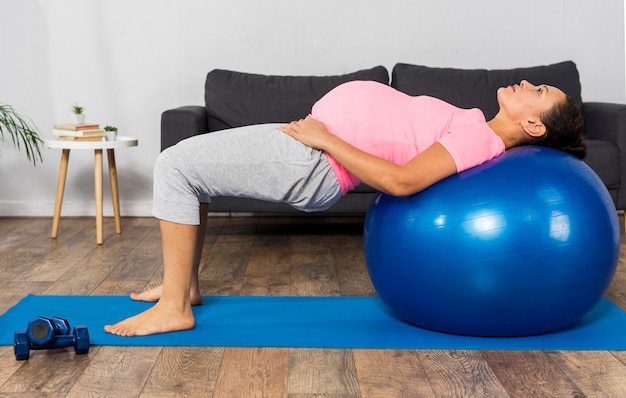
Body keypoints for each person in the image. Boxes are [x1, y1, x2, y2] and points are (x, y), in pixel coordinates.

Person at [104, 79, 585, 336]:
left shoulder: (479, 139)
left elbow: (401, 181)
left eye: (539, 93)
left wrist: (326, 139)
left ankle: (173, 309)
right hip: (313, 145)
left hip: (313, 159)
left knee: (173, 165)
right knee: (194, 170)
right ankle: (182, 288)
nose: (528, 84)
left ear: (534, 126)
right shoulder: (476, 127)